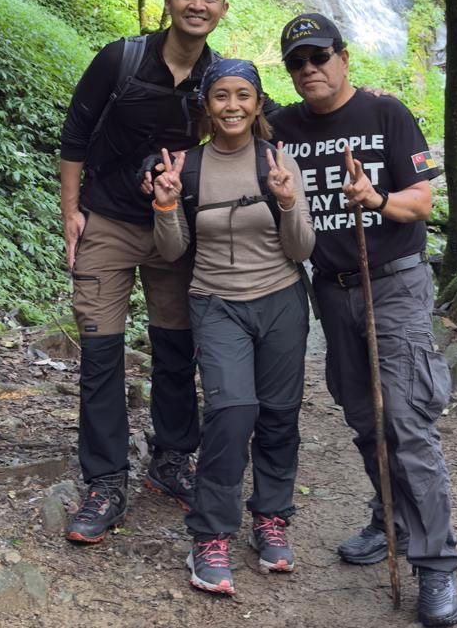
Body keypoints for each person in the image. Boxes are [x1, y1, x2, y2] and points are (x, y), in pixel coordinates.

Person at [270, 13, 457, 628]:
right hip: (331, 288)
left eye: (320, 56)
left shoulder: (386, 114)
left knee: (405, 420)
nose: (310, 70)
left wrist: (377, 199)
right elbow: (223, 111)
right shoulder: (282, 128)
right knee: (362, 415)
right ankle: (392, 519)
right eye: (298, 62)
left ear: (344, 56)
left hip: (395, 283)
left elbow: (422, 201)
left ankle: (435, 565)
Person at [60, 0, 230, 542]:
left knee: (176, 346)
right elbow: (75, 134)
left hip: (174, 229)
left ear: (223, 8)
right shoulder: (122, 58)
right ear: (169, 0)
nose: (197, 5)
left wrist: (346, 91)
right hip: (106, 220)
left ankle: (172, 457)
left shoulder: (218, 80)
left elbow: (260, 122)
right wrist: (71, 214)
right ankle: (105, 480)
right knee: (101, 353)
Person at [152, 59, 314, 596]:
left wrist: (288, 202)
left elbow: (302, 248)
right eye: (221, 95)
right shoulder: (189, 167)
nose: (232, 106)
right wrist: (168, 202)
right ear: (207, 104)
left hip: (282, 300)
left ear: (258, 102)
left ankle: (272, 518)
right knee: (230, 412)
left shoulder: (277, 160)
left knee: (279, 414)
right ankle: (211, 534)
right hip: (216, 302)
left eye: (243, 95)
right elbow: (173, 251)